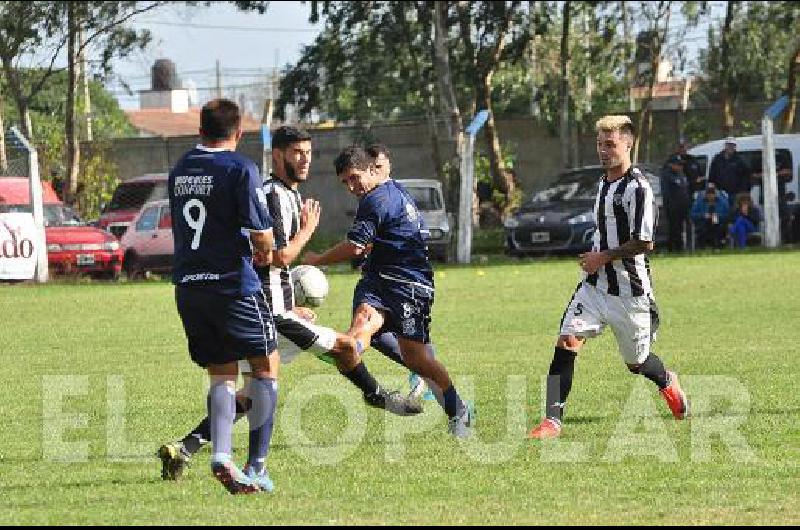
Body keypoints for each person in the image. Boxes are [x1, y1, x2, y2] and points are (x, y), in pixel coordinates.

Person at [158, 129, 422, 482]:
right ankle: (379, 397)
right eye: (296, 152)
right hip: (268, 314)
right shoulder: (272, 196)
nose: (304, 159)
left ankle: (184, 448)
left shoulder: (289, 197)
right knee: (346, 347)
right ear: (278, 156)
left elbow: (268, 265)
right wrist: (306, 235)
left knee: (252, 393)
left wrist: (290, 301)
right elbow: (275, 257)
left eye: (308, 152)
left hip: (273, 310)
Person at [528, 115, 689, 440]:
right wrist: (595, 255)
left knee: (637, 363)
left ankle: (666, 381)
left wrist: (603, 256)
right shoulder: (603, 183)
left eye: (610, 144)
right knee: (567, 341)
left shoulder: (638, 187)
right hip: (595, 286)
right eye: (600, 145)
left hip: (631, 292)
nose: (604, 151)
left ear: (628, 144)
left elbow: (645, 242)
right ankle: (551, 421)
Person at [304, 146, 474, 438]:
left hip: (410, 286)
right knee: (363, 328)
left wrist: (317, 259)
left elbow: (355, 246)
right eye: (345, 182)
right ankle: (353, 364)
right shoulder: (391, 191)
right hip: (378, 281)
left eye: (355, 178)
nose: (351, 186)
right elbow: (388, 236)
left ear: (372, 170)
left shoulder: (376, 200)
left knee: (418, 360)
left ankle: (458, 410)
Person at [168, 99, 276, 494]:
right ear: (239, 133)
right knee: (264, 370)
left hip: (190, 288)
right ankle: (257, 467)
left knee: (222, 373)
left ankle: (221, 455)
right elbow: (261, 233)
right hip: (232, 285)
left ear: (200, 130)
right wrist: (265, 249)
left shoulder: (180, 168)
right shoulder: (239, 168)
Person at [660, 154, 691, 252]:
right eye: (678, 164)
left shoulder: (681, 174)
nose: (680, 166)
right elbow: (667, 193)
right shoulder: (667, 175)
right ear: (671, 165)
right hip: (673, 207)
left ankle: (680, 247)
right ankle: (673, 248)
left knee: (681, 228)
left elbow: (685, 189)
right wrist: (671, 206)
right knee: (674, 228)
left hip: (683, 207)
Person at [708, 137, 751, 207]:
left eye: (733, 145)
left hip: (735, 194)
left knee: (734, 212)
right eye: (729, 145)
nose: (731, 147)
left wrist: (744, 192)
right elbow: (711, 176)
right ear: (725, 146)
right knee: (722, 212)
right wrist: (712, 188)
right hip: (720, 193)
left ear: (735, 147)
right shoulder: (717, 159)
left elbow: (746, 177)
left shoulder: (740, 160)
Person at [691, 182, 730, 249]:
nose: (710, 196)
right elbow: (692, 215)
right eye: (709, 194)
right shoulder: (699, 202)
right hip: (703, 225)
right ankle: (703, 246)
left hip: (719, 225)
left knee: (717, 227)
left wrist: (718, 216)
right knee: (703, 230)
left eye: (712, 193)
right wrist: (703, 216)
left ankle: (718, 245)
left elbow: (727, 214)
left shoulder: (722, 202)